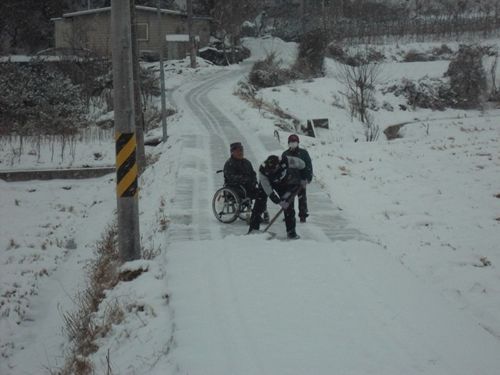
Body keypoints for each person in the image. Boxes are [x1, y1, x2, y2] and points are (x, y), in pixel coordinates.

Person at [248, 154, 306, 239]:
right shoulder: (263, 170)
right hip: (267, 184)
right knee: (259, 203)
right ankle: (253, 229)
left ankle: (291, 232)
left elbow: (303, 165)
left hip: (282, 184)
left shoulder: (287, 160)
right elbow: (268, 190)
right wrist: (278, 201)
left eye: (274, 169)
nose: (272, 171)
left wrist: (305, 177)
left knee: (288, 206)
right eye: (270, 170)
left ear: (279, 164)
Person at [281, 134, 312, 223]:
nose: (293, 144)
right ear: (288, 143)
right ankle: (288, 214)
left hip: (301, 180)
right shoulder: (285, 154)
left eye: (294, 142)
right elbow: (282, 167)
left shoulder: (303, 153)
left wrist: (307, 178)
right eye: (291, 142)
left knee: (302, 198)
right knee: (287, 198)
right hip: (289, 181)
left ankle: (303, 215)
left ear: (298, 143)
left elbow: (308, 166)